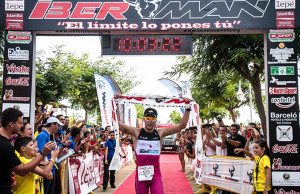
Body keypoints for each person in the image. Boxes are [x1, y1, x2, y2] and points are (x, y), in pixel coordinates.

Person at [116, 94, 191, 194]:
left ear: (156, 120)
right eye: (147, 118)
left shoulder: (160, 133)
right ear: (144, 119)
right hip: (140, 175)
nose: (150, 121)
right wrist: (116, 105)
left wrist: (188, 108)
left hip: (156, 175)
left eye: (153, 118)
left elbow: (181, 125)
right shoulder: (136, 132)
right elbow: (118, 125)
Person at [0, 108, 56, 194]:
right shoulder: (5, 145)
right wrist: (44, 154)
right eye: (20, 123)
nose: (21, 126)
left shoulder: (6, 143)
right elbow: (22, 171)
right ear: (11, 124)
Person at [36, 117, 64, 194]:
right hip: (47, 171)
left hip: (50, 170)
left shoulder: (47, 135)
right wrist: (48, 170)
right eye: (58, 125)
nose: (58, 128)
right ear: (52, 124)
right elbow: (41, 154)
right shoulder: (43, 135)